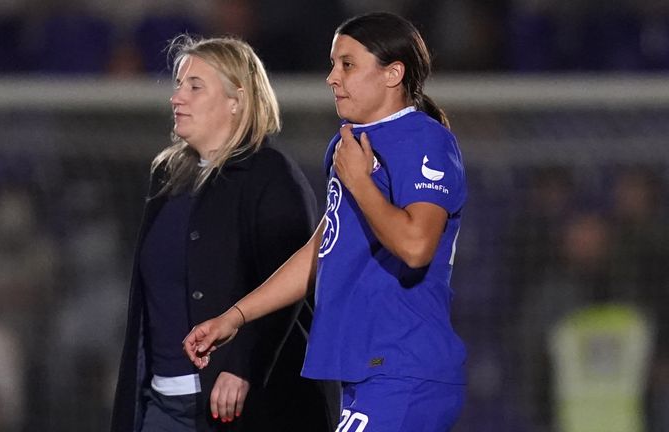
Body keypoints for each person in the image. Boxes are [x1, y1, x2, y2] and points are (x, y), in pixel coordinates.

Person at [184, 11, 468, 432]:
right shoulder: (350, 142)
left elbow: (415, 246)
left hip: (405, 366)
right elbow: (323, 249)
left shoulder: (425, 139)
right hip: (368, 370)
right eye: (333, 64)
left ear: (392, 73)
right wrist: (236, 316)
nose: (332, 77)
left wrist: (360, 182)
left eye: (347, 65)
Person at [110, 36, 339, 432]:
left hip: (243, 408)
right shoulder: (167, 177)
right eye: (178, 85)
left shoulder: (274, 178)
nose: (176, 98)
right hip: (162, 404)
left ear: (237, 100)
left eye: (195, 86)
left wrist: (241, 367)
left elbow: (289, 290)